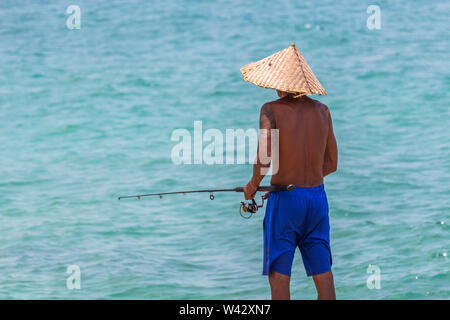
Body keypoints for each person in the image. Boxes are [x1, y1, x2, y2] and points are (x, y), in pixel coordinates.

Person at [241, 44, 338, 300]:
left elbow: (264, 157)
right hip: (317, 199)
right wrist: (302, 181)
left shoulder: (270, 109)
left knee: (279, 276)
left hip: (286, 202)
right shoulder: (323, 111)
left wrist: (253, 186)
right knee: (323, 274)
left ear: (280, 82)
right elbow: (331, 164)